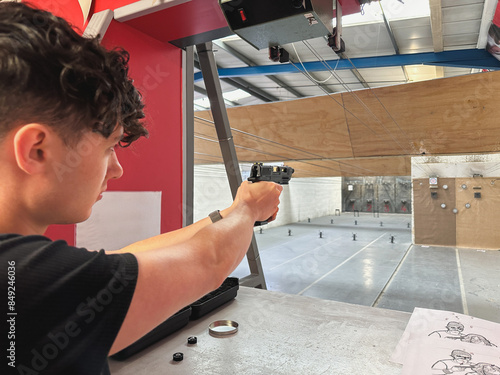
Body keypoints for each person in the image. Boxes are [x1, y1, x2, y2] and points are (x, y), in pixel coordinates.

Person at [0, 2, 282, 374]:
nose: (115, 169)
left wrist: (230, 214)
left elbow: (126, 260)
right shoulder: (24, 282)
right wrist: (249, 209)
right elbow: (208, 263)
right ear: (37, 149)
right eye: (108, 147)